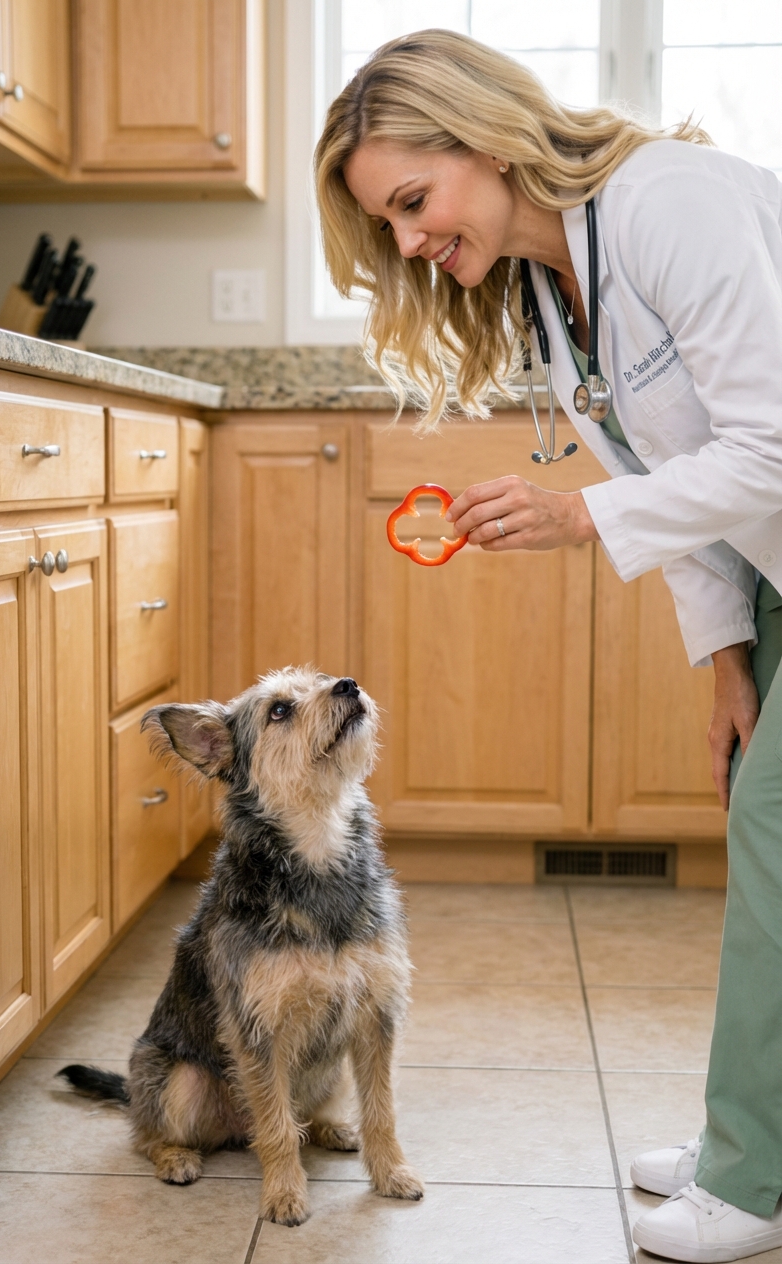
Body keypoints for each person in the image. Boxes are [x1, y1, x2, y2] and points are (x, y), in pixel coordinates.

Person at [314, 28, 782, 1264]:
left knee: (775, 847)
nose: (409, 243)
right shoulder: (548, 293)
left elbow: (770, 444)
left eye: (412, 202)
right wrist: (726, 655)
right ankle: (758, 1138)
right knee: (766, 832)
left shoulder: (666, 202)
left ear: (482, 136)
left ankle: (752, 1177)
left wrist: (578, 514)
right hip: (775, 574)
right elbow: (680, 467)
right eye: (390, 224)